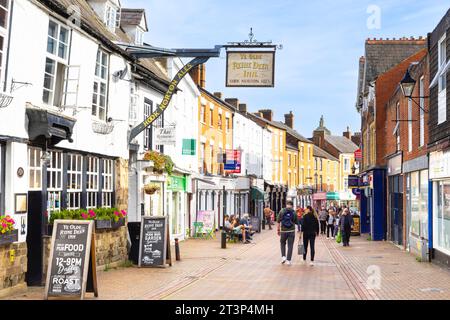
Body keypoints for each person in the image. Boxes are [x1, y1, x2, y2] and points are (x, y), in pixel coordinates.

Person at [277, 200, 298, 265]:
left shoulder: (282, 211)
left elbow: (278, 220)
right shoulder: (294, 212)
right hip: (291, 231)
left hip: (283, 231)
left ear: (286, 204)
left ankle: (283, 257)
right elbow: (296, 222)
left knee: (282, 243)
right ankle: (288, 260)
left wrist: (278, 229)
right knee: (290, 245)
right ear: (292, 205)